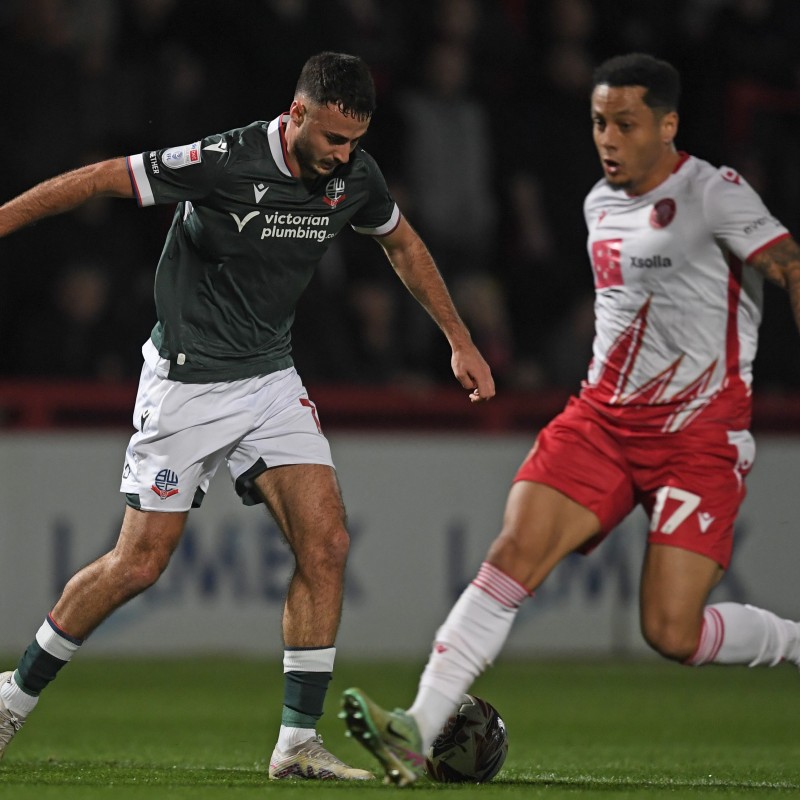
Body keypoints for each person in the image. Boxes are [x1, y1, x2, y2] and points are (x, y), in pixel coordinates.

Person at [0, 51, 495, 780]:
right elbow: (102, 178)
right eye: (331, 138)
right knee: (138, 564)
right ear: (296, 115)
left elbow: (401, 242)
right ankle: (12, 697)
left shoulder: (355, 176)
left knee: (326, 541)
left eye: (354, 141)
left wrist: (459, 338)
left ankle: (296, 743)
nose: (343, 155)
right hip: (188, 382)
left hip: (269, 378)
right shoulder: (224, 161)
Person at [341, 52, 800, 786]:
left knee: (670, 633)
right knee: (513, 551)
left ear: (668, 125)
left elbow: (790, 269)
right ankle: (416, 729)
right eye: (598, 122)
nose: (608, 137)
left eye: (626, 123)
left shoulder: (715, 195)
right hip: (602, 423)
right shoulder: (598, 204)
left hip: (698, 439)